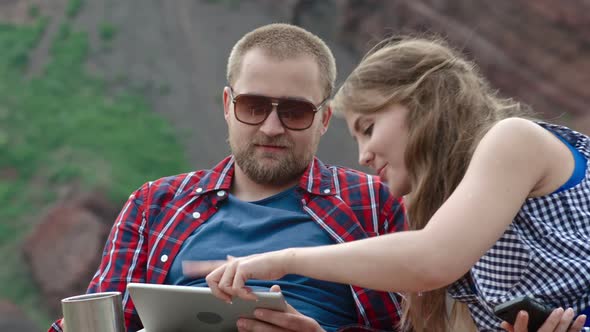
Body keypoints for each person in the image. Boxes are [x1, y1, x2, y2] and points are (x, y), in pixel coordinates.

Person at [203, 35, 590, 332]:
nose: (364, 156)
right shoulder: (440, 213)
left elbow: (432, 259)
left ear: (420, 103)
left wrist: (282, 261)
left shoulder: (513, 139)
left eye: (368, 129)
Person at [47, 24, 407, 332]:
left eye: (295, 112)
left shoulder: (377, 202)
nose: (271, 128)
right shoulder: (153, 205)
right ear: (227, 106)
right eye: (254, 106)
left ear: (325, 119)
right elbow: (90, 324)